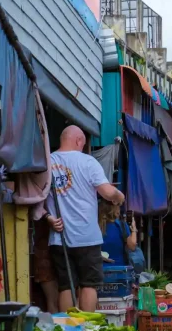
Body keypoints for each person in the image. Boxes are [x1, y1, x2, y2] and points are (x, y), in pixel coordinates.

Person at [46, 125, 125, 312]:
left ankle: (68, 330)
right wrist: (119, 197)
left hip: (59, 237)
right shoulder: (88, 162)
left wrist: (49, 217)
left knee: (66, 285)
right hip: (87, 237)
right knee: (89, 284)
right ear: (78, 141)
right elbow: (107, 192)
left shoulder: (47, 162)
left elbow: (36, 196)